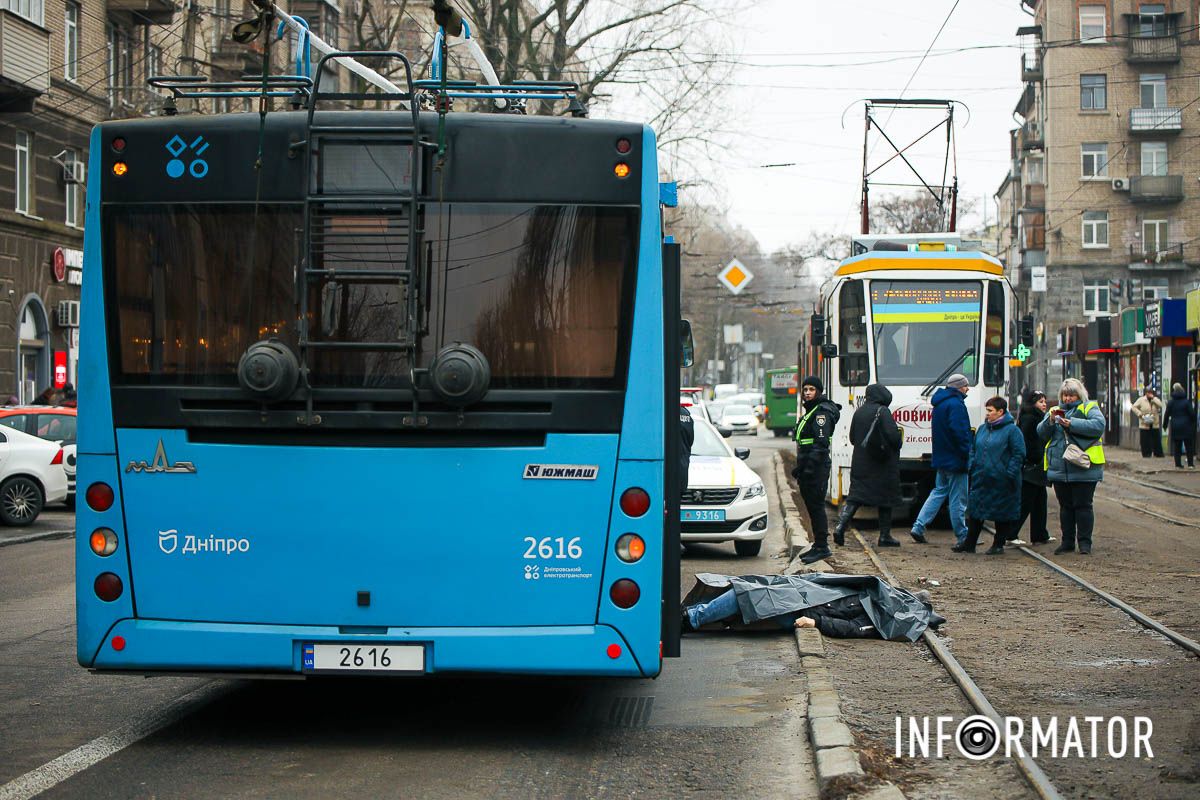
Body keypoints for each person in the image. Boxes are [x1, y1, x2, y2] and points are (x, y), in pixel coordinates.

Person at [832, 383, 905, 548]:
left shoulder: (859, 412)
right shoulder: (883, 411)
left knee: (855, 497)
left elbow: (852, 438)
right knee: (886, 499)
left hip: (860, 463)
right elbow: (894, 438)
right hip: (881, 464)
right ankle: (885, 536)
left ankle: (840, 526)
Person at [1038, 378, 1105, 555]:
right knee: (1065, 507)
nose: (1068, 398)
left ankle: (1084, 544)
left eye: (1071, 395)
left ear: (1079, 394)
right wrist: (1050, 421)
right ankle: (1067, 542)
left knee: (1083, 506)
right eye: (1065, 395)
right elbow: (1041, 433)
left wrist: (1072, 423)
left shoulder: (1089, 407)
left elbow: (1099, 425)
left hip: (1084, 467)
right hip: (1060, 469)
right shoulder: (1054, 410)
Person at [954, 396, 1025, 554]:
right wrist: (972, 465)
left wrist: (1009, 473)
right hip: (981, 478)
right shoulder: (983, 428)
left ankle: (998, 545)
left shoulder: (1012, 431)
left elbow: (1018, 454)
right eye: (987, 410)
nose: (987, 414)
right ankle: (969, 544)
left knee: (1001, 513)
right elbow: (974, 448)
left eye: (990, 411)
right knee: (976, 512)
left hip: (1002, 480)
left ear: (1001, 412)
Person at [909, 373, 972, 547]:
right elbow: (960, 433)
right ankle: (963, 536)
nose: (967, 389)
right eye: (966, 386)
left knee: (938, 492)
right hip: (956, 459)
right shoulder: (956, 405)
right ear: (959, 387)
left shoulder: (940, 403)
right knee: (958, 499)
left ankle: (919, 526)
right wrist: (966, 453)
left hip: (942, 457)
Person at [791, 376, 841, 565]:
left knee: (817, 507)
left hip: (816, 469)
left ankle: (822, 547)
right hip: (809, 468)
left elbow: (820, 446)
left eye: (812, 389)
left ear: (819, 391)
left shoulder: (821, 414)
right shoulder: (812, 410)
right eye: (805, 389)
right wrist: (801, 469)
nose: (807, 393)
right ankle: (818, 544)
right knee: (812, 507)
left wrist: (809, 470)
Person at [1016, 390, 1052, 544]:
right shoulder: (1031, 419)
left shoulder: (1037, 418)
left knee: (1039, 501)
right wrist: (1036, 458)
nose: (1043, 404)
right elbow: (1028, 443)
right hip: (1033, 465)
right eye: (1040, 401)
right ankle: (1010, 533)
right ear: (1032, 404)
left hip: (1037, 466)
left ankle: (1040, 534)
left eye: (1044, 401)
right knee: (1026, 502)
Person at [1163, 382, 1195, 469]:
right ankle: (1191, 464)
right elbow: (1192, 414)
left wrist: (1165, 425)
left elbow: (1167, 415)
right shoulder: (1186, 402)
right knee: (1189, 446)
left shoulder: (1171, 402)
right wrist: (1192, 422)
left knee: (1177, 446)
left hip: (1175, 426)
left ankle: (1178, 464)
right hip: (1186, 426)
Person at [1131, 387, 1165, 459]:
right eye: (1148, 392)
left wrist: (1154, 398)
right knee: (1145, 439)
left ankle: (1158, 453)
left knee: (1156, 438)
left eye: (1151, 392)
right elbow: (1134, 407)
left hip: (1154, 422)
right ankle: (1146, 453)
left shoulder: (1155, 400)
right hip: (1144, 422)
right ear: (1146, 393)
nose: (1150, 394)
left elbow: (1161, 405)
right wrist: (1139, 413)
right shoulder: (1141, 400)